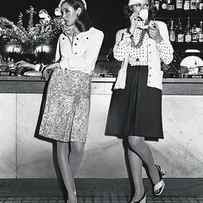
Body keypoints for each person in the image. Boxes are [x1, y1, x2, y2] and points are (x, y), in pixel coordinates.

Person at [105, 0, 173, 202]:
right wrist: (131, 30)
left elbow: (168, 58)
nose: (140, 9)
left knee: (135, 140)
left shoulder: (159, 26)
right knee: (131, 141)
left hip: (148, 82)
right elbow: (118, 56)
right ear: (130, 9)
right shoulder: (122, 32)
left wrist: (159, 38)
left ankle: (154, 173)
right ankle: (138, 193)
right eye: (136, 5)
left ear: (149, 7)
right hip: (127, 83)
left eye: (144, 5)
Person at [37, 0, 104, 203]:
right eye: (61, 12)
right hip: (58, 89)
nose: (63, 15)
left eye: (66, 11)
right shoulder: (61, 37)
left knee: (78, 147)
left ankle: (68, 189)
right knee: (61, 144)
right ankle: (72, 197)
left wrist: (59, 64)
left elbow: (87, 64)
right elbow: (57, 63)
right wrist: (46, 67)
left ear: (79, 10)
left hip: (80, 90)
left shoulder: (95, 34)